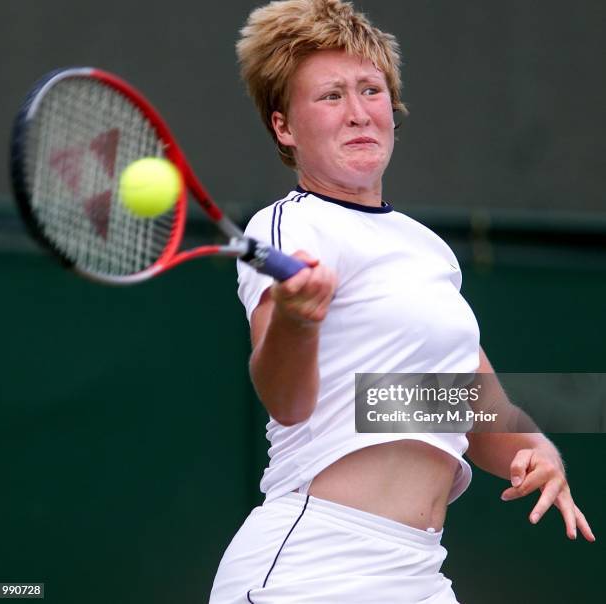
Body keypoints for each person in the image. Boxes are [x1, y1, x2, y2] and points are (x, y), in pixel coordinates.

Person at [209, 1, 595, 602]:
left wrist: (536, 448)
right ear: (284, 126)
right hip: (314, 569)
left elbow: (464, 405)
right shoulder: (290, 227)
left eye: (371, 89)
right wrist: (295, 320)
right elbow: (285, 402)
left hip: (416, 573)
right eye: (331, 96)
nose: (360, 113)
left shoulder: (427, 250)